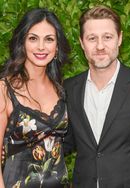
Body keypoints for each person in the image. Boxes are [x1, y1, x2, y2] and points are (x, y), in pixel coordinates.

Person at [63, 5, 130, 188]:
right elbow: (65, 142)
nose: (99, 46)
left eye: (107, 37)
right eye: (92, 38)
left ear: (119, 38)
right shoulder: (69, 88)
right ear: (82, 43)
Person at [0, 8, 71, 187]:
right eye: (33, 38)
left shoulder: (61, 88)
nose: (41, 46)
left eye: (49, 39)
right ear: (22, 43)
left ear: (57, 47)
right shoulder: (4, 89)